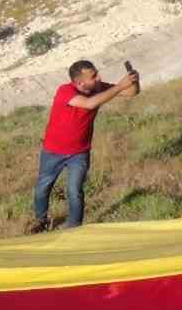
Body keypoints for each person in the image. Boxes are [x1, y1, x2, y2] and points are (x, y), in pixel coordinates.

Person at [31, 59, 139, 231]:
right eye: (93, 76)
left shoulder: (97, 87)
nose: (99, 78)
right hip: (53, 151)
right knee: (43, 188)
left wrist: (134, 81)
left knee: (75, 191)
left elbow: (132, 93)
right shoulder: (65, 90)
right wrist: (119, 86)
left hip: (79, 152)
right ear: (80, 82)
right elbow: (89, 104)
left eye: (97, 73)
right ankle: (40, 221)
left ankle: (74, 228)